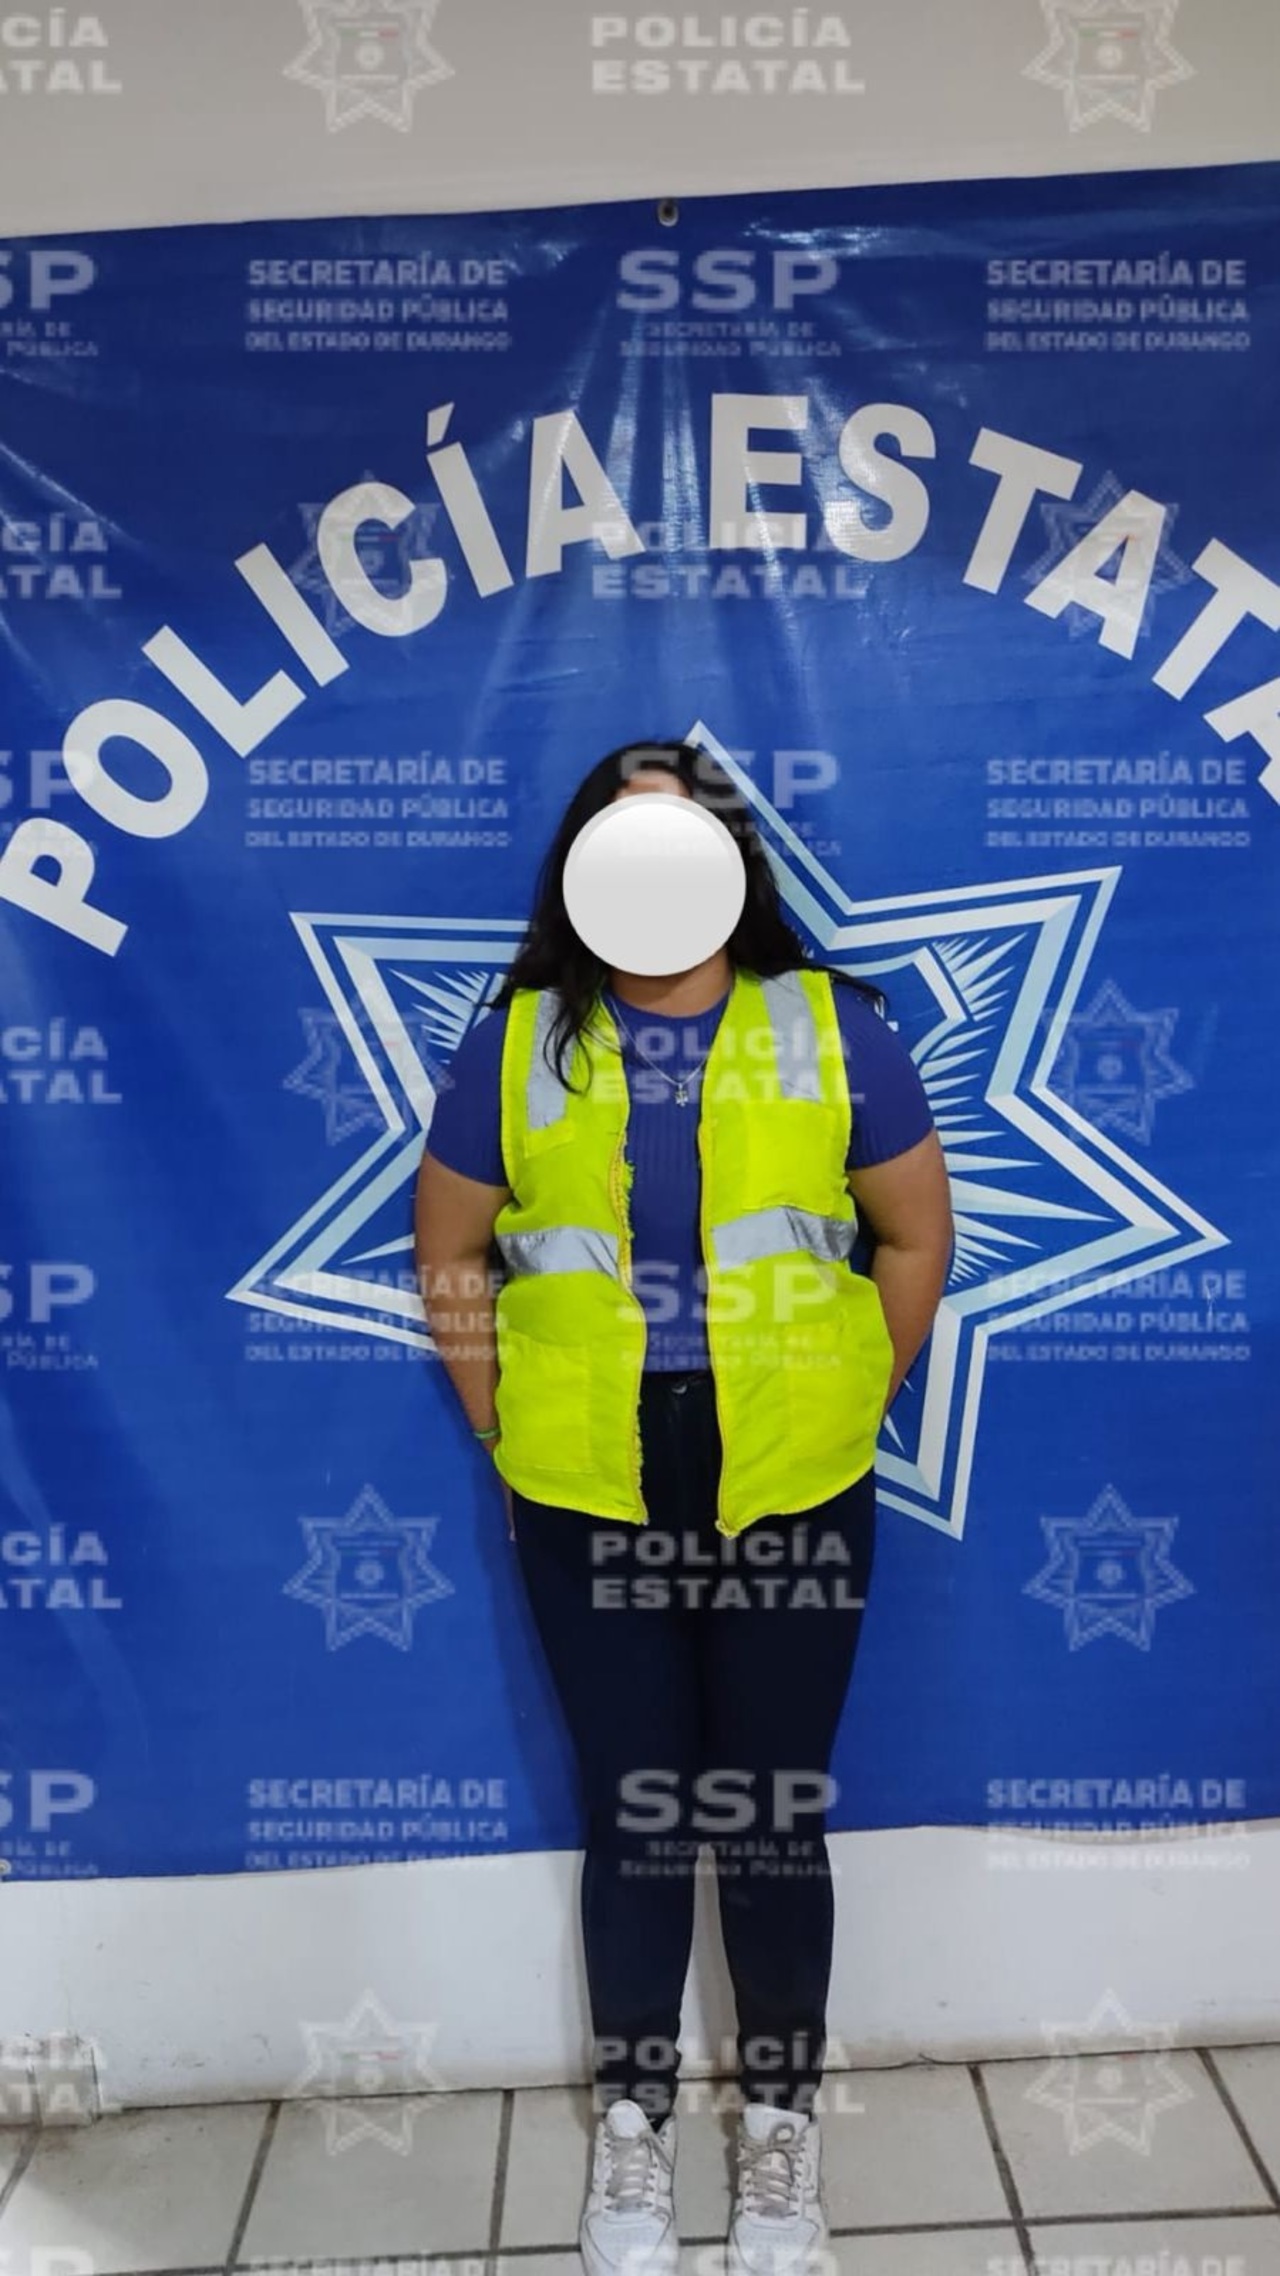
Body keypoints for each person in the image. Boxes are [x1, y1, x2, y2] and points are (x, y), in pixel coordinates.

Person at [414, 739, 954, 2276]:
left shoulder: (835, 1029)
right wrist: (499, 1422)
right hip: (587, 1482)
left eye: (683, 834)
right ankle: (635, 2129)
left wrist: (847, 1393)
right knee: (639, 1808)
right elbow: (450, 1256)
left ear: (730, 860)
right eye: (626, 835)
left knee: (770, 1812)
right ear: (585, 865)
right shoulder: (517, 1044)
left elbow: (914, 1237)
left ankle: (780, 2130)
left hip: (793, 1479)